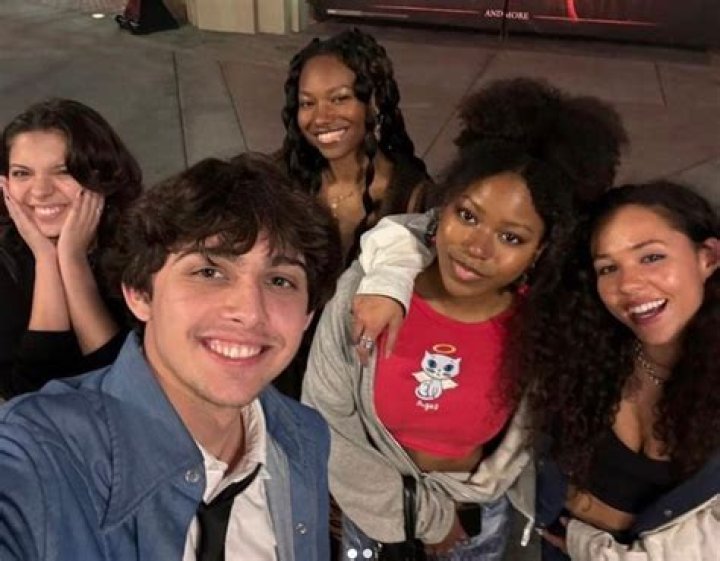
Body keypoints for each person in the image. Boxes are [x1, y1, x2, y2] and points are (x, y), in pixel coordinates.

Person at [300, 71, 633, 558]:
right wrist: (430, 519)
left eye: (511, 237)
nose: (477, 247)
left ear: (541, 250)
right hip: (373, 518)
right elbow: (325, 422)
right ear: (444, 207)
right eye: (468, 215)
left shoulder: (546, 324)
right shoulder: (368, 292)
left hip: (476, 520)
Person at [0, 154, 343, 561]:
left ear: (307, 316)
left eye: (280, 280)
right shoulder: (38, 452)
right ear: (139, 294)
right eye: (209, 272)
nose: (250, 311)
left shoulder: (304, 436)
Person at [514, 182, 719, 560]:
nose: (628, 285)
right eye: (608, 268)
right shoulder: (589, 350)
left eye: (651, 257)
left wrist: (589, 547)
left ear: (707, 257)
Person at [0, 98, 142, 398]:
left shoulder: (145, 249)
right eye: (22, 173)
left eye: (63, 171)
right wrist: (46, 260)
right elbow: (29, 395)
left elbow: (126, 385)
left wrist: (72, 259)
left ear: (102, 175)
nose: (41, 191)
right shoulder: (5, 261)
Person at [279, 27, 430, 262]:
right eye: (307, 103)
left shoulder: (409, 197)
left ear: (375, 103)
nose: (321, 118)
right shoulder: (279, 176)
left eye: (339, 99)